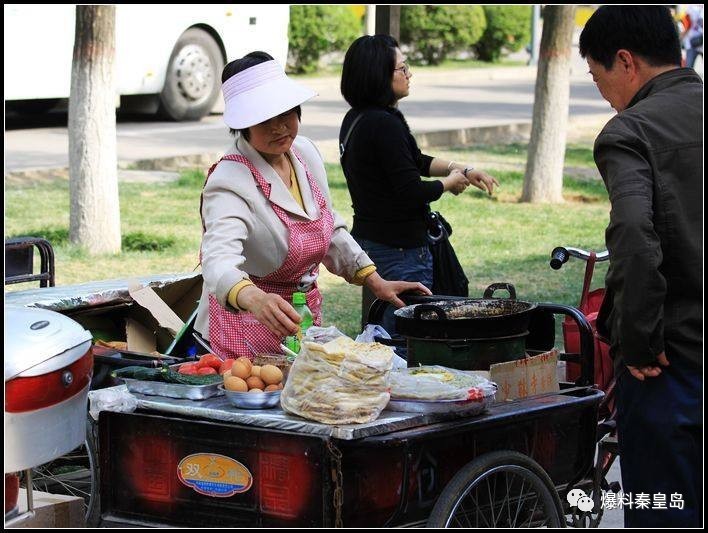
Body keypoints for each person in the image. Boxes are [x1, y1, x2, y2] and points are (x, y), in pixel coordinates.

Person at [195, 51, 430, 359]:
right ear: (244, 125)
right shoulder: (230, 180)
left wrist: (375, 281)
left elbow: (328, 226)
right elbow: (218, 260)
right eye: (265, 120)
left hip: (302, 317)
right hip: (244, 327)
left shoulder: (304, 153)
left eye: (287, 114)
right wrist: (253, 298)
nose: (280, 127)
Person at [579, 6, 702, 527]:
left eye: (597, 76)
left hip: (672, 366)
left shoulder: (629, 131)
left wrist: (638, 342)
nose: (602, 92)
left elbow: (634, 238)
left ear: (625, 61)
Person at [339, 35, 499, 332]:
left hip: (375, 240)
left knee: (389, 327)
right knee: (407, 334)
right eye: (402, 68)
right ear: (379, 75)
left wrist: (461, 169)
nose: (409, 74)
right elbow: (411, 190)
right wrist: (448, 184)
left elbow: (412, 160)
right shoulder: (384, 124)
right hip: (399, 248)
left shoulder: (358, 118)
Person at [680, 4, 704, 69]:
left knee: (688, 69)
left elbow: (686, 26)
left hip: (691, 42)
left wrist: (680, 38)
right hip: (692, 43)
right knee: (689, 68)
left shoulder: (689, 9)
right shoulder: (690, 8)